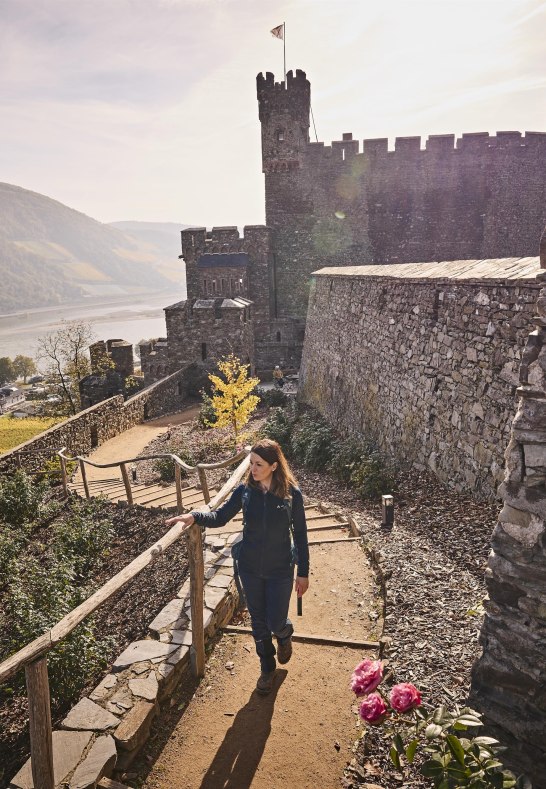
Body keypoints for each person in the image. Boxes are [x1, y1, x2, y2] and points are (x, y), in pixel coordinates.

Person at [165, 439, 309, 695]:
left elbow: (300, 535)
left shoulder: (291, 495)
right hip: (250, 568)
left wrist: (304, 572)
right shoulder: (245, 492)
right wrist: (194, 516)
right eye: (251, 463)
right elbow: (220, 517)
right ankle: (267, 669)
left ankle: (285, 634)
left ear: (274, 466)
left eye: (259, 464)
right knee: (258, 622)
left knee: (275, 621)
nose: (252, 469)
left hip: (280, 570)